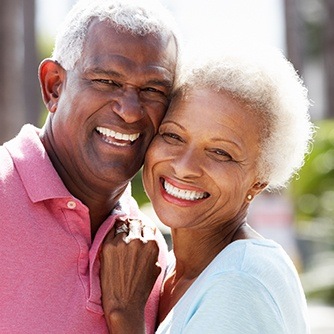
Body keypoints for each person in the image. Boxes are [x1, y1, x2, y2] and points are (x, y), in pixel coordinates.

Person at [0, 0, 179, 333]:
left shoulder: (150, 249)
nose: (130, 110)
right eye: (106, 82)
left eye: (153, 90)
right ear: (54, 86)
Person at [110, 45, 315, 333]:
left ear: (259, 180)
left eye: (220, 152)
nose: (184, 167)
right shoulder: (171, 269)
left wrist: (125, 315)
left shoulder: (239, 282)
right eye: (172, 135)